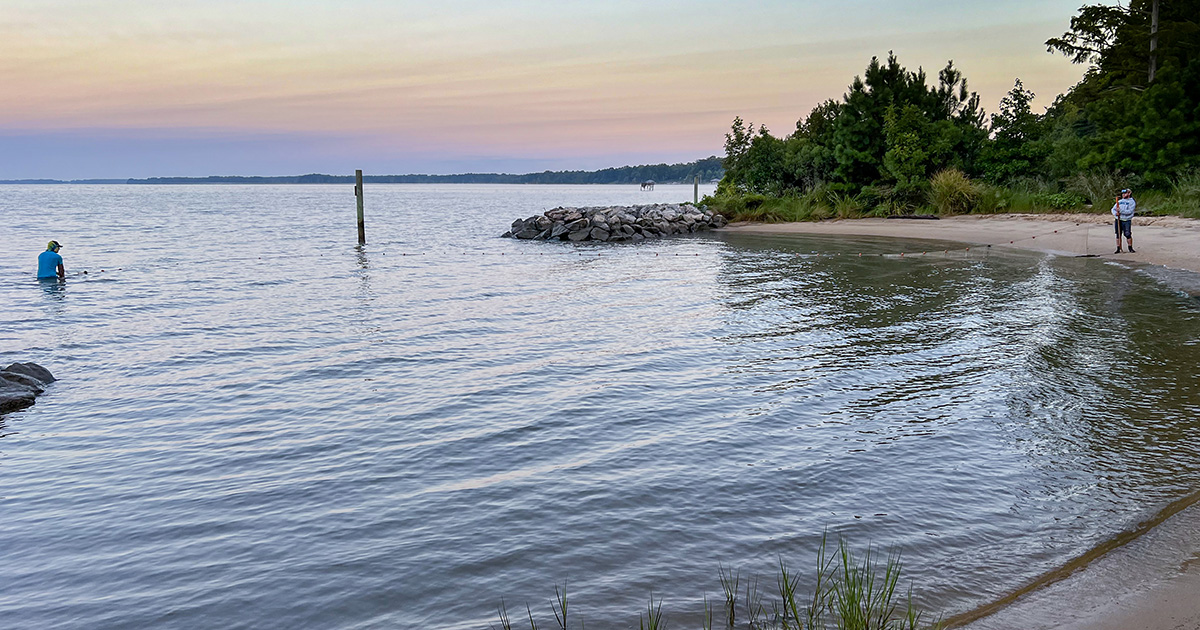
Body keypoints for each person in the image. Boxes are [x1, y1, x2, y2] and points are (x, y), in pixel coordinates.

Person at [1111, 189, 1136, 253]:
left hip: (1126, 220)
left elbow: (1130, 211)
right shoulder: (1119, 201)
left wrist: (1120, 211)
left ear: (1129, 193)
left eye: (1125, 193)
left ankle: (1130, 247)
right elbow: (1113, 209)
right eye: (1123, 194)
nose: (1123, 195)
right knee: (1118, 234)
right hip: (1118, 219)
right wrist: (1115, 213)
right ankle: (1118, 248)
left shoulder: (1132, 202)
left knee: (1127, 234)